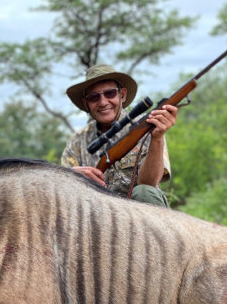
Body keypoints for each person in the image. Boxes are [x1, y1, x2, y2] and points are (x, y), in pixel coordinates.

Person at [61, 64, 178, 207]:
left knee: (144, 192)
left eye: (110, 93)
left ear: (122, 95)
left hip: (142, 216)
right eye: (94, 97)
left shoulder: (148, 126)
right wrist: (72, 177)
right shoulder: (77, 141)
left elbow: (149, 184)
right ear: (86, 103)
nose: (103, 102)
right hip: (97, 215)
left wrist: (157, 138)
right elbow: (62, 191)